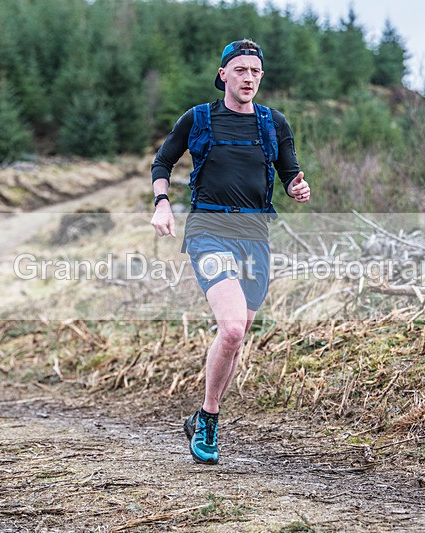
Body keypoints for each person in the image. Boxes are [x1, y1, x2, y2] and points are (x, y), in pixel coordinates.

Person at [150, 39, 310, 465]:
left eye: (255, 72)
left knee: (234, 339)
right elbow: (162, 163)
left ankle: (201, 413)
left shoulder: (273, 123)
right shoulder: (199, 118)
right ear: (223, 74)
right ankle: (210, 421)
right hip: (209, 229)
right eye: (240, 70)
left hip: (255, 234)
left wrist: (298, 186)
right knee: (234, 327)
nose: (249, 78)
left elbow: (292, 174)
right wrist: (162, 203)